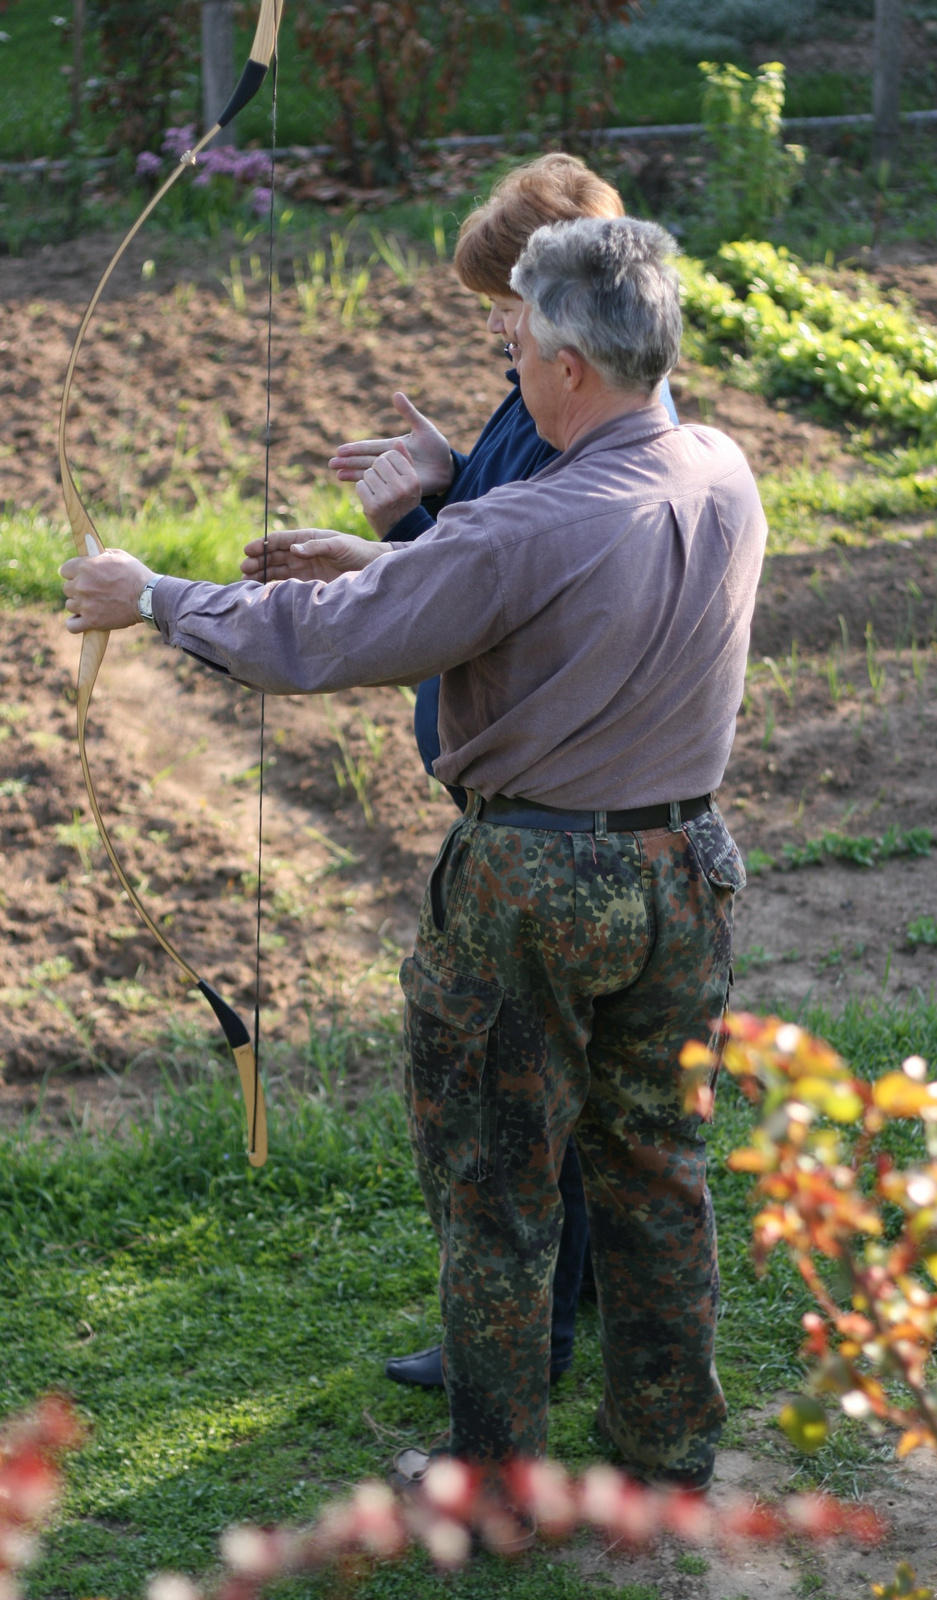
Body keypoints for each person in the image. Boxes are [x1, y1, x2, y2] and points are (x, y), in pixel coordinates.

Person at [61, 216, 767, 1499]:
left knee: (499, 1190)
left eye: (513, 343)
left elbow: (323, 641)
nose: (504, 361)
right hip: (688, 872)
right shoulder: (721, 467)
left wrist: (152, 596)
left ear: (565, 367)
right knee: (655, 1164)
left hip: (535, 891)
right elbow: (508, 605)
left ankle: (492, 1492)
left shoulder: (524, 525)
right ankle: (668, 1450)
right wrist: (405, 557)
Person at [240, 154, 681, 1395]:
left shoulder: (579, 427)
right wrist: (430, 497)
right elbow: (484, 550)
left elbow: (493, 600)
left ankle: (520, 1353)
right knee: (580, 1105)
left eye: (509, 307)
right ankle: (574, 1322)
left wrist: (389, 548)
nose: (498, 331)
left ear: (569, 311)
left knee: (513, 1117)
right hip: (584, 823)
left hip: (547, 832)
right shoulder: (555, 403)